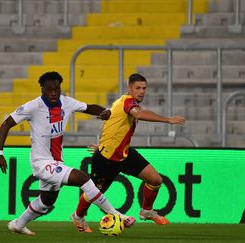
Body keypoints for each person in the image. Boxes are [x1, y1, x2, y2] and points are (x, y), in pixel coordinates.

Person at [0, 71, 135, 235]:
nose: (53, 93)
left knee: (46, 201)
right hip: (42, 163)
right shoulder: (33, 106)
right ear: (42, 89)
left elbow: (88, 107)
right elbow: (6, 124)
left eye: (56, 89)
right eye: (49, 89)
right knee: (83, 179)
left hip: (56, 161)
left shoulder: (66, 102)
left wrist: (106, 111)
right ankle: (117, 214)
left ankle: (18, 224)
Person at [72, 73, 186, 232]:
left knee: (155, 179)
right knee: (94, 192)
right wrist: (168, 120)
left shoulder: (120, 103)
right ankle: (78, 217)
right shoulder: (127, 102)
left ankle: (146, 211)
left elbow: (113, 125)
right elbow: (138, 113)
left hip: (123, 154)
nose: (141, 91)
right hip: (107, 159)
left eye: (144, 88)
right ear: (129, 89)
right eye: (137, 88)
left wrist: (103, 144)